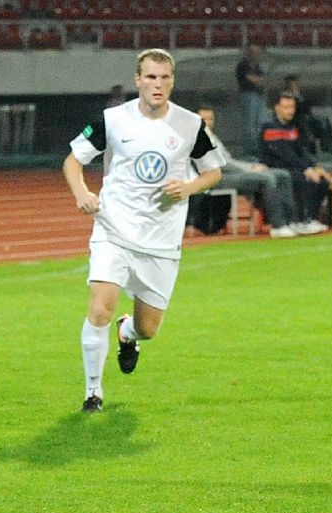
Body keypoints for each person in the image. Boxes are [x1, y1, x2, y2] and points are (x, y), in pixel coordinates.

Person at [63, 48, 225, 413]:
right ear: (138, 80)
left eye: (165, 78)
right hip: (114, 230)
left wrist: (188, 187)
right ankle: (93, 393)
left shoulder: (189, 125)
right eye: (151, 77)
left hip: (161, 240)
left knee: (148, 329)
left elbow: (214, 171)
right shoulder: (112, 120)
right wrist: (82, 193)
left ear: (172, 82)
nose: (158, 84)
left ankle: (128, 334)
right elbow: (73, 161)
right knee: (100, 307)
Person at [191, 106, 307, 238]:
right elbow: (222, 164)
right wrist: (250, 168)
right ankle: (278, 225)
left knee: (282, 175)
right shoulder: (197, 139)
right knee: (267, 178)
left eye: (210, 118)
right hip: (215, 179)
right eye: (203, 119)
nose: (208, 122)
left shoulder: (211, 136)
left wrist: (252, 166)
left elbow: (229, 160)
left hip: (230, 173)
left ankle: (291, 221)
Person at [259, 91, 331, 231]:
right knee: (306, 180)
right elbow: (285, 155)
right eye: (286, 107)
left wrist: (315, 167)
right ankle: (303, 220)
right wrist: (306, 170)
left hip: (295, 167)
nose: (290, 111)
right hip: (277, 168)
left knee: (323, 180)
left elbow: (301, 151)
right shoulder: (270, 127)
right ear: (277, 108)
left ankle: (312, 217)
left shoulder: (293, 127)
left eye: (292, 107)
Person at [285, 74, 332, 155]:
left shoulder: (301, 96)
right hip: (295, 120)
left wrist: (300, 100)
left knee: (324, 120)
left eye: (296, 84)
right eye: (292, 85)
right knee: (304, 123)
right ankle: (312, 141)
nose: (295, 87)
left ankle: (328, 143)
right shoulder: (286, 97)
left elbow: (307, 108)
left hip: (307, 118)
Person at [235, 44, 268, 160]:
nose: (255, 55)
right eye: (252, 52)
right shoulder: (242, 65)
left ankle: (258, 147)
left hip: (258, 95)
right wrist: (256, 80)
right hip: (248, 95)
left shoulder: (257, 66)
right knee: (249, 123)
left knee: (259, 122)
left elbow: (262, 80)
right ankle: (249, 150)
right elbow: (250, 78)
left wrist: (257, 80)